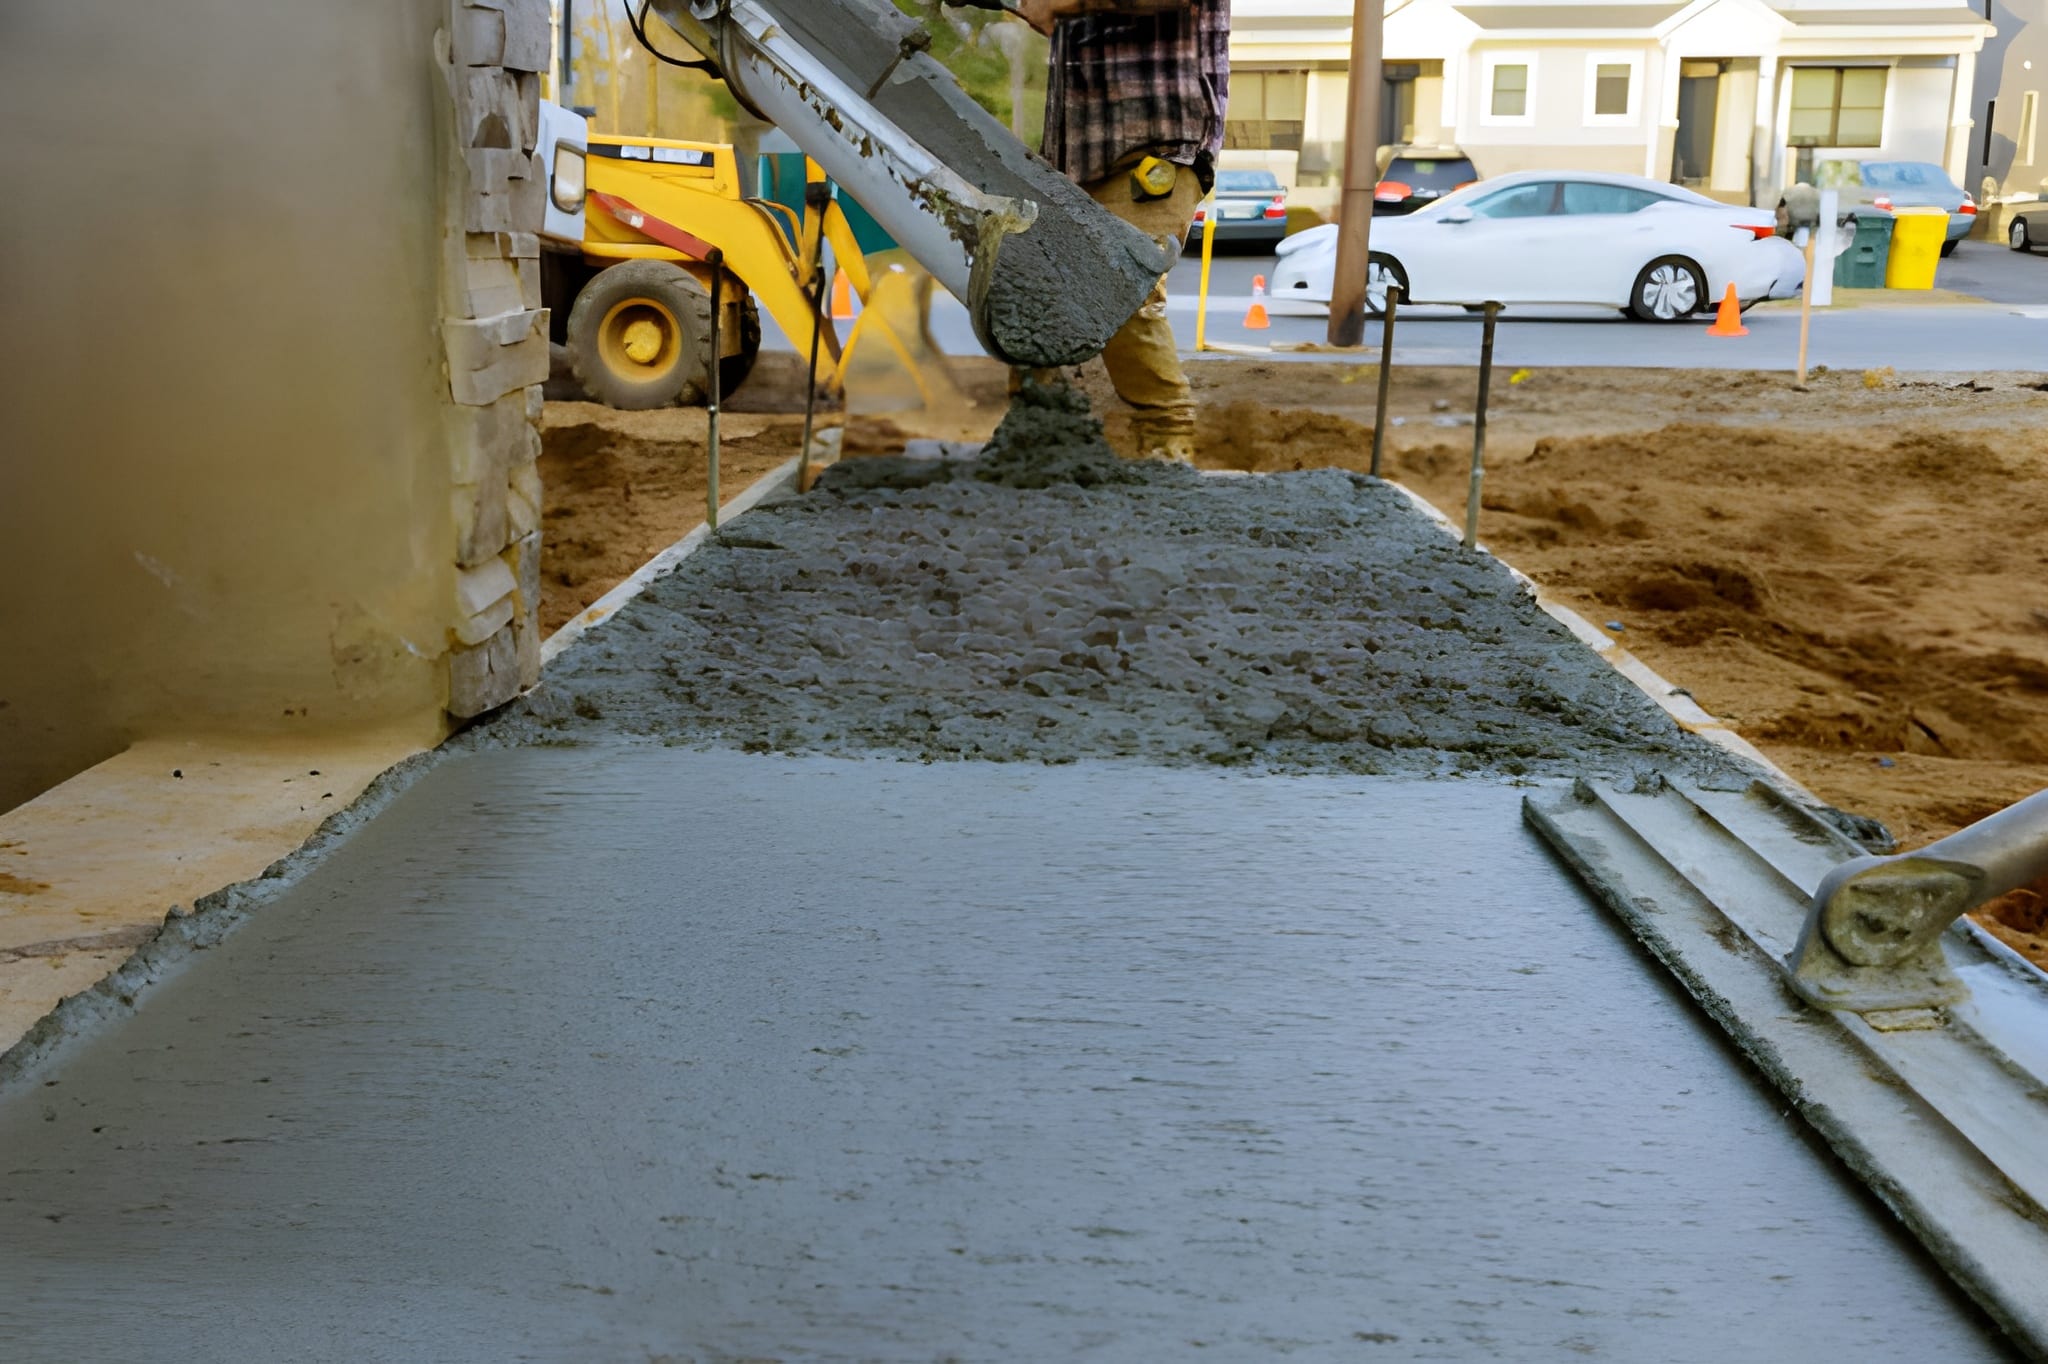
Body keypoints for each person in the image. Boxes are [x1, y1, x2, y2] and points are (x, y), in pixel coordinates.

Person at [1004, 0, 1231, 461]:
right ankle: (1036, 439)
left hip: (1157, 142)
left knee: (1124, 287)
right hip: (1072, 158)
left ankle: (1168, 442)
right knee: (1031, 293)